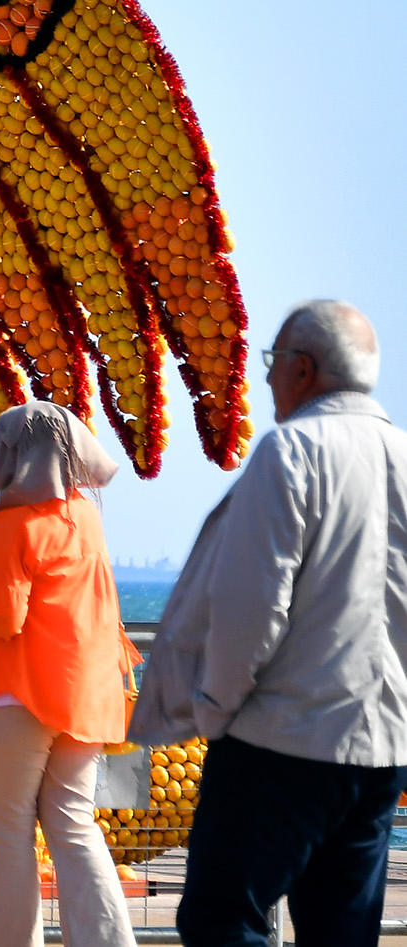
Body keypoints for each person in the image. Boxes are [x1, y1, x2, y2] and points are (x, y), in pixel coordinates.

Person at [128, 301, 407, 947]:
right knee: (343, 932)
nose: (267, 379)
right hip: (381, 747)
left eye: (274, 362)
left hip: (280, 739)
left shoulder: (293, 451)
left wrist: (215, 710)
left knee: (222, 920)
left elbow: (251, 607)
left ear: (304, 368)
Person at [0, 402, 137, 947]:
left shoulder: (11, 525)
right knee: (74, 827)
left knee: (8, 837)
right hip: (86, 694)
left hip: (16, 693)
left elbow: (5, 619)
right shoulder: (84, 518)